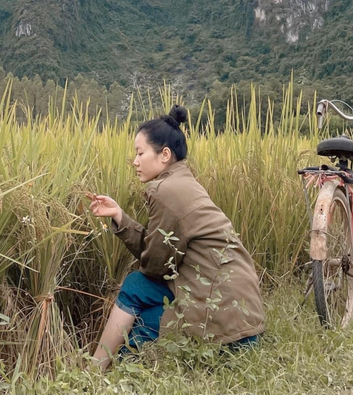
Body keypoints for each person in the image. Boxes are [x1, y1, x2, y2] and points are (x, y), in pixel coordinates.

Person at [89, 105, 265, 370]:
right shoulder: (184, 182)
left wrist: (125, 226)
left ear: (165, 155)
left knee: (137, 285)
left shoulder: (165, 190)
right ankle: (110, 366)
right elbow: (162, 251)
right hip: (245, 323)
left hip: (222, 322)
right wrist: (119, 216)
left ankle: (94, 371)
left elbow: (155, 267)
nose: (135, 161)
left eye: (140, 153)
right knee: (143, 320)